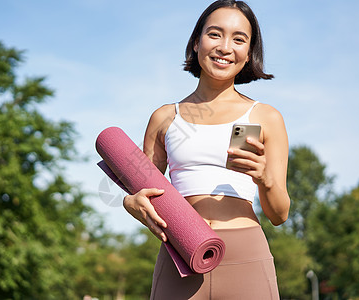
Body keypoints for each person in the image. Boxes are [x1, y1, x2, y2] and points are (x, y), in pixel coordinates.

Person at [123, 0, 290, 299]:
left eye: (239, 39)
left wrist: (266, 180)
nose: (225, 47)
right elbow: (143, 190)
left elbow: (279, 214)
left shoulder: (266, 117)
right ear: (197, 41)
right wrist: (130, 203)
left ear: (249, 52)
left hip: (246, 254)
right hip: (181, 254)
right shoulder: (164, 117)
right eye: (215, 34)